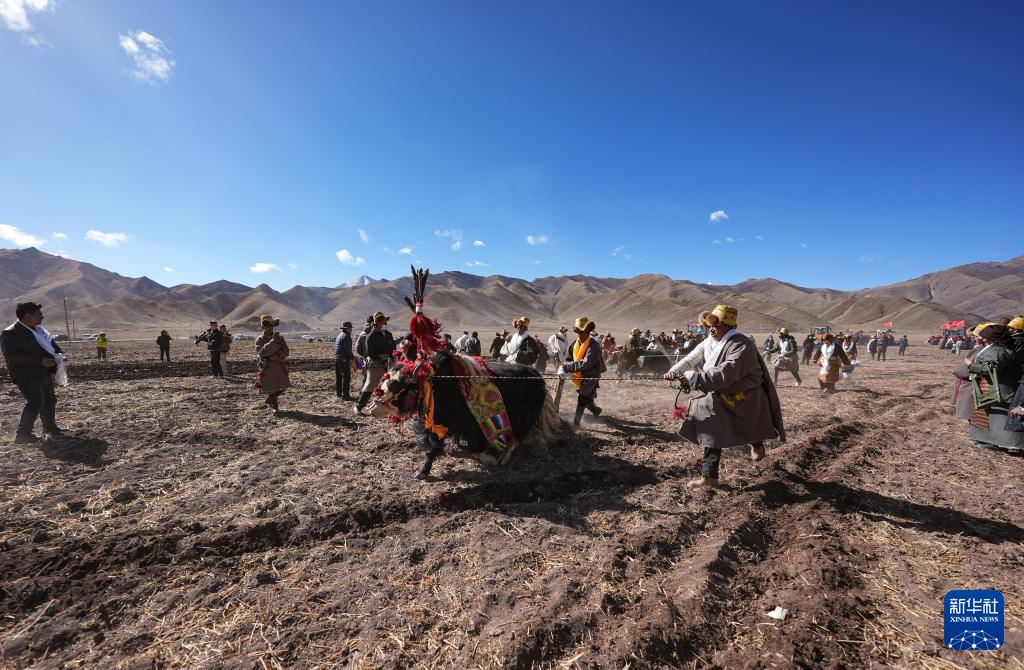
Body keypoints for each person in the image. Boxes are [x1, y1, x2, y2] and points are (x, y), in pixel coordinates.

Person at [665, 305, 785, 489]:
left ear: (730, 326)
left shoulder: (742, 345)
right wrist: (674, 372)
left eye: (717, 325)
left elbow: (725, 373)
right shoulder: (709, 341)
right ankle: (709, 477)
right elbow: (691, 359)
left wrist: (693, 378)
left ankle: (757, 443)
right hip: (719, 395)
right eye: (709, 326)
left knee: (748, 427)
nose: (711, 329)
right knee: (711, 429)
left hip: (745, 398)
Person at [1, 302, 66, 443]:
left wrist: (60, 356)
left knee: (50, 400)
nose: (42, 316)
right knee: (36, 401)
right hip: (25, 374)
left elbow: (52, 346)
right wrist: (39, 361)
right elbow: (13, 356)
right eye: (38, 314)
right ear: (27, 316)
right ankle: (23, 434)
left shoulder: (40, 331)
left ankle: (50, 428)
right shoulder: (10, 333)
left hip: (43, 372)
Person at [966, 323, 1023, 453]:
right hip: (989, 386)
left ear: (989, 337)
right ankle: (987, 439)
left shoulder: (997, 351)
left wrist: (971, 365)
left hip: (997, 388)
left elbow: (992, 370)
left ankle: (1003, 442)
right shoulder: (997, 348)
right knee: (988, 415)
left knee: (997, 415)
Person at [561, 317, 606, 428]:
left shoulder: (594, 346)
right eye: (579, 332)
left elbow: (587, 364)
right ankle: (596, 410)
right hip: (580, 375)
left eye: (584, 332)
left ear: (588, 332)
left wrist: (567, 367)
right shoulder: (574, 344)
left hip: (592, 375)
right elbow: (569, 358)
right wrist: (564, 366)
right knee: (587, 398)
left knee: (582, 397)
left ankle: (576, 423)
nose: (581, 334)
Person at [355, 312, 395, 415]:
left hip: (389, 363)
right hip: (375, 364)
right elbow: (371, 353)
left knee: (389, 386)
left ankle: (386, 408)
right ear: (377, 322)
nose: (384, 323)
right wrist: (383, 361)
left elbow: (392, 348)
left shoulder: (388, 335)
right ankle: (359, 407)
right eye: (382, 321)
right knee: (370, 385)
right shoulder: (371, 336)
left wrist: (391, 359)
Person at [254, 315, 290, 414]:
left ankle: (270, 399)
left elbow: (286, 351)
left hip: (279, 366)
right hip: (267, 367)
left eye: (271, 325)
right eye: (267, 325)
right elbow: (262, 353)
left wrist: (273, 356)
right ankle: (275, 407)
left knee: (284, 386)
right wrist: (273, 342)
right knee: (271, 389)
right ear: (263, 327)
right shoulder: (259, 339)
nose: (270, 328)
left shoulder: (280, 338)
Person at [334, 321, 355, 400]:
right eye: (350, 328)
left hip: (337, 358)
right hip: (344, 359)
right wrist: (353, 358)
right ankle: (345, 395)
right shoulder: (346, 336)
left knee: (339, 377)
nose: (351, 330)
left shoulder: (339, 336)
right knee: (346, 377)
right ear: (347, 329)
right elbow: (347, 350)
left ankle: (339, 394)